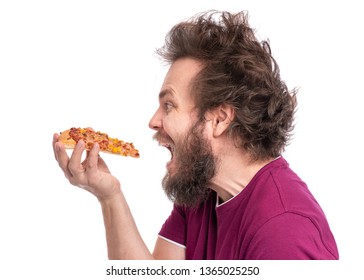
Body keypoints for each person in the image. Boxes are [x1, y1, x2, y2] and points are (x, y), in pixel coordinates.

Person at [52, 10, 338, 260]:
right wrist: (109, 196)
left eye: (169, 105)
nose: (153, 121)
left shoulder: (284, 231)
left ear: (219, 119)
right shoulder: (203, 191)